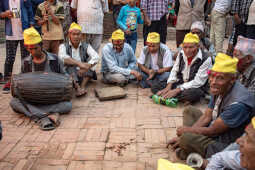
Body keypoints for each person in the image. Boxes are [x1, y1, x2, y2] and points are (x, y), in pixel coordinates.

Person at [167, 53, 255, 160]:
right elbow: (207, 116)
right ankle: (189, 147)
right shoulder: (219, 86)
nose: (213, 82)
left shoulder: (239, 104)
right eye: (211, 75)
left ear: (232, 80)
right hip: (216, 127)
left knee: (187, 138)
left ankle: (192, 149)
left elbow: (213, 131)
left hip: (225, 142)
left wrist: (186, 132)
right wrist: (185, 133)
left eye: (220, 78)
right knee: (190, 111)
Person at [10, 27, 72, 131]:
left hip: (52, 98)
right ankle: (45, 115)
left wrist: (69, 80)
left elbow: (65, 77)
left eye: (35, 48)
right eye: (30, 49)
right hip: (32, 99)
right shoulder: (26, 62)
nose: (33, 52)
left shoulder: (55, 59)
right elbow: (21, 82)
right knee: (13, 102)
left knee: (68, 106)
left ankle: (35, 114)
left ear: (42, 45)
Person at [156, 33, 212, 104]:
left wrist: (177, 90)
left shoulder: (206, 59)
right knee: (156, 86)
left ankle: (169, 96)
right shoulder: (181, 53)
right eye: (185, 47)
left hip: (195, 87)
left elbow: (198, 82)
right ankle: (175, 97)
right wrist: (169, 86)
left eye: (191, 47)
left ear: (198, 46)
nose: (187, 50)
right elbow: (174, 70)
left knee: (192, 94)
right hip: (180, 82)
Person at [0, 0, 34, 93]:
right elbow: (0, 13)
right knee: (9, 59)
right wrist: (4, 14)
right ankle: (8, 82)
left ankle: (26, 82)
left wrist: (31, 27)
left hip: (25, 32)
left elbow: (30, 10)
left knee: (26, 58)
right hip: (10, 33)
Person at [58, 23, 99, 97]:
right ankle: (78, 87)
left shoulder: (86, 45)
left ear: (82, 36)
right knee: (69, 66)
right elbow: (62, 57)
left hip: (83, 73)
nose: (76, 37)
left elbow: (96, 57)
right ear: (69, 35)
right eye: (73, 34)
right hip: (71, 74)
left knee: (91, 64)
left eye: (78, 34)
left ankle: (83, 86)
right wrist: (79, 64)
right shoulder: (63, 46)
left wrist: (87, 66)